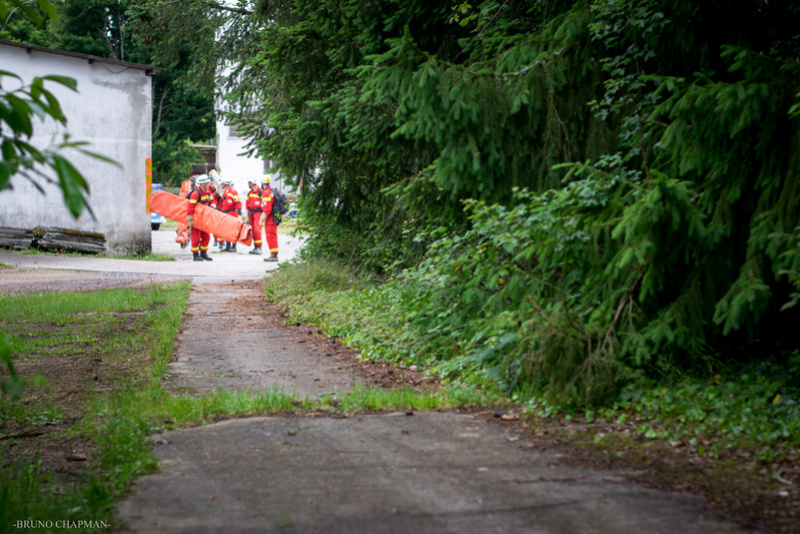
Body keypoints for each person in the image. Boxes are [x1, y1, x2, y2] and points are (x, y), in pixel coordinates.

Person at [187, 174, 214, 261]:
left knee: (206, 236)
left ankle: (203, 253)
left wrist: (213, 205)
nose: (209, 185)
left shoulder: (207, 192)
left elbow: (211, 201)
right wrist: (190, 220)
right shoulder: (195, 194)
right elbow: (190, 207)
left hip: (204, 219)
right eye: (207, 183)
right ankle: (195, 255)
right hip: (196, 219)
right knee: (196, 237)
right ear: (202, 184)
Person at [218, 179, 242, 252]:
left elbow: (237, 202)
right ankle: (228, 246)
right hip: (226, 213)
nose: (222, 185)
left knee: (233, 230)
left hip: (232, 213)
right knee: (227, 230)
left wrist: (240, 213)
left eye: (223, 184)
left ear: (227, 184)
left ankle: (234, 246)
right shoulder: (225, 191)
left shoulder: (233, 192)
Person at [261, 176, 279, 262]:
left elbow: (267, 209)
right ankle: (274, 254)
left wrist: (261, 219)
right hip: (275, 216)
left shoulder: (266, 193)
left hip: (270, 218)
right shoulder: (272, 190)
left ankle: (274, 255)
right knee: (273, 235)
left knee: (270, 235)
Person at [245, 179, 264, 255]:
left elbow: (265, 204)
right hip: (251, 213)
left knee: (257, 230)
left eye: (250, 184)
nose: (249, 185)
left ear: (253, 184)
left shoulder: (261, 192)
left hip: (258, 213)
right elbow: (247, 204)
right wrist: (247, 216)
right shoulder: (249, 193)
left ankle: (259, 247)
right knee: (252, 231)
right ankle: (256, 247)